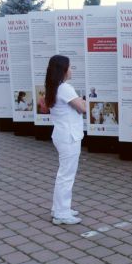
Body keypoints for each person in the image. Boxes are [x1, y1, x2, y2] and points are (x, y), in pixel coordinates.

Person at [45, 55, 86, 225]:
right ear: (63, 70)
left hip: (62, 135)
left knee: (64, 174)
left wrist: (79, 103)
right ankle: (62, 213)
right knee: (66, 175)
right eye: (69, 67)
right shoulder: (66, 88)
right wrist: (81, 102)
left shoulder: (54, 87)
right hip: (69, 137)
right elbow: (83, 108)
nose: (71, 70)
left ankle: (60, 207)